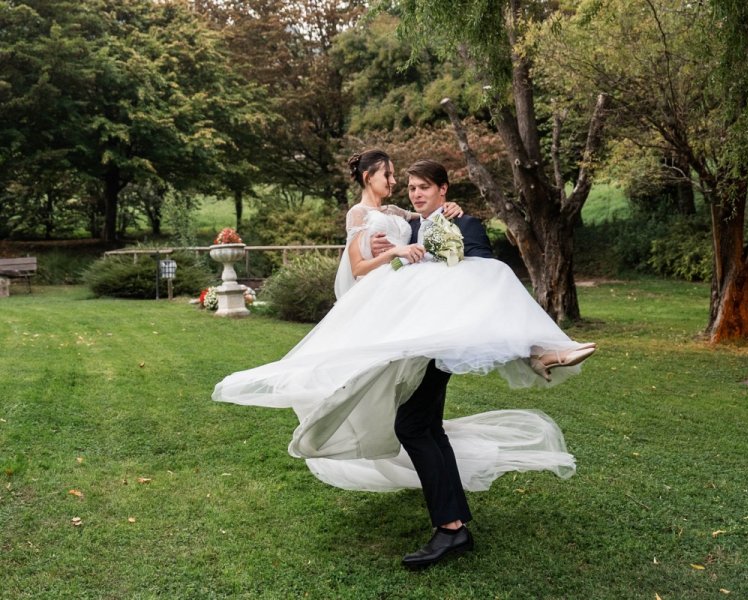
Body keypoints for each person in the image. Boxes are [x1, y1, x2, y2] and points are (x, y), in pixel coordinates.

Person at [212, 149, 594, 568]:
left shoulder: (408, 216)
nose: (400, 187)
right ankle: (456, 521)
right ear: (368, 178)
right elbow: (361, 267)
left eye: (412, 184)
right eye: (392, 178)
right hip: (396, 321)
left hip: (419, 328)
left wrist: (445, 212)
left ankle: (453, 527)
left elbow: (428, 225)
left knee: (414, 424)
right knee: (421, 424)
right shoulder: (363, 216)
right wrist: (394, 253)